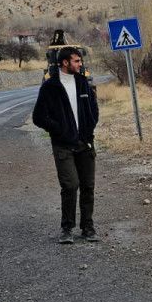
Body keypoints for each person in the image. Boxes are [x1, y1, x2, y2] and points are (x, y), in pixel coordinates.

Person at [32, 47, 100, 243]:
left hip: (85, 143)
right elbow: (38, 117)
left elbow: (94, 109)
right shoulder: (50, 87)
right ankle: (67, 228)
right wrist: (59, 129)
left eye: (80, 60)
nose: (80, 64)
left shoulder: (83, 83)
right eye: (76, 61)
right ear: (65, 63)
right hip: (63, 145)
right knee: (70, 185)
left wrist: (88, 128)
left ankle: (88, 227)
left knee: (88, 186)